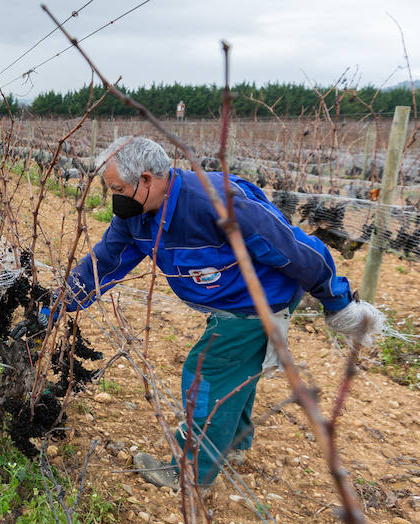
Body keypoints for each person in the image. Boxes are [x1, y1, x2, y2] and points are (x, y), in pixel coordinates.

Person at [53, 136, 381, 491]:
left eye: (117, 188)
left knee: (206, 374)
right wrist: (55, 306)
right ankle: (234, 444)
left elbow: (296, 249)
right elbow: (104, 263)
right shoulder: (137, 216)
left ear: (147, 179)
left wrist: (337, 299)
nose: (114, 198)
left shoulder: (217, 204)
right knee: (238, 372)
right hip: (224, 303)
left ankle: (190, 472)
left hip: (255, 306)